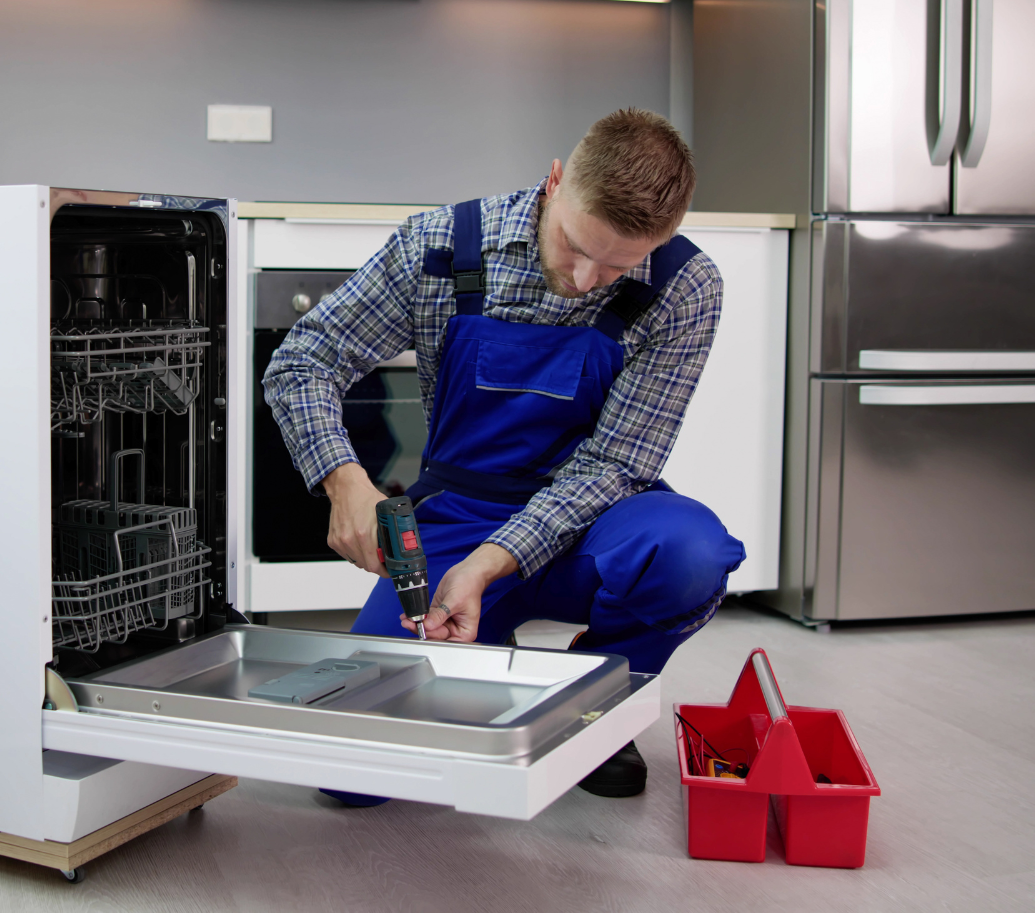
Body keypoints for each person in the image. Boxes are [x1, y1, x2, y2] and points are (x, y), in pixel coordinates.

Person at [262, 108, 745, 802]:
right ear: (553, 184)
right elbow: (303, 361)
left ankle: (595, 697)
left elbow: (614, 465)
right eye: (576, 246)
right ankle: (485, 673)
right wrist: (345, 483)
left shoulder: (686, 287)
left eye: (617, 265)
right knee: (352, 783)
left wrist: (491, 565)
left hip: (594, 520)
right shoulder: (437, 245)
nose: (585, 278)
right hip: (458, 517)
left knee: (688, 556)